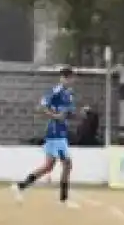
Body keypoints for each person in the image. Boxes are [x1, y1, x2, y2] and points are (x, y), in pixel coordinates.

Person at [11, 67, 79, 208]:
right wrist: (55, 116)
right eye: (70, 77)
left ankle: (20, 186)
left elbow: (69, 113)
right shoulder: (55, 91)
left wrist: (77, 114)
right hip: (55, 134)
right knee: (67, 164)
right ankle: (63, 200)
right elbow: (41, 107)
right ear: (64, 78)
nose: (73, 80)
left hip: (61, 133)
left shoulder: (69, 94)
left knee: (49, 167)